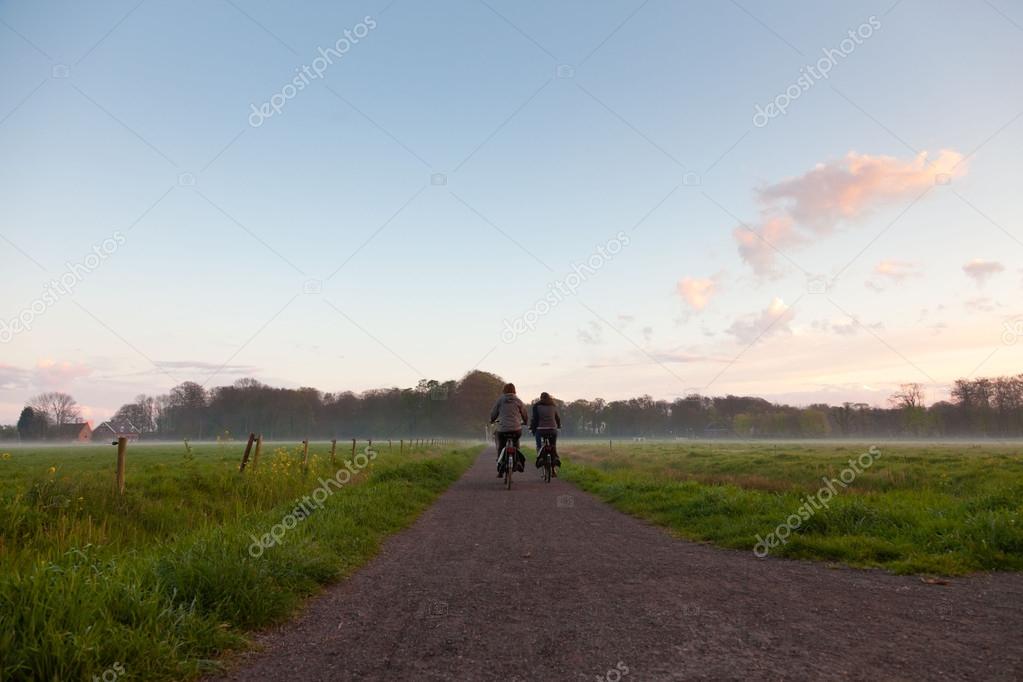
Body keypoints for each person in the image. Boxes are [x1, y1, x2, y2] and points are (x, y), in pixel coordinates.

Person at [489, 383, 528, 476]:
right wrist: (525, 422)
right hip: (516, 429)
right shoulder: (518, 400)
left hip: (503, 429)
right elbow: (524, 413)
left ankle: (500, 466)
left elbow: (493, 413)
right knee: (516, 442)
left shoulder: (500, 400)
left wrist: (492, 420)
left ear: (504, 390)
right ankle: (518, 461)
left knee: (501, 446)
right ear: (514, 390)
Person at [530, 391, 562, 474]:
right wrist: (558, 426)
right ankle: (554, 464)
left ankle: (540, 458)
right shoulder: (553, 405)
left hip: (541, 429)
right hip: (552, 429)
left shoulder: (536, 406)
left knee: (539, 445)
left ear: (541, 398)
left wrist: (532, 429)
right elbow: (557, 418)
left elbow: (535, 419)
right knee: (553, 446)